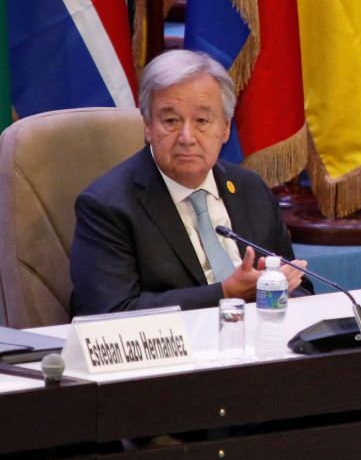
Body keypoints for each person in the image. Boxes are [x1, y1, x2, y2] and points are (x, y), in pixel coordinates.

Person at [70, 50, 310, 315]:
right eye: (171, 121)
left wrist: (277, 287)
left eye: (202, 121)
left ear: (226, 127)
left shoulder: (251, 189)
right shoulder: (108, 206)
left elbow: (300, 288)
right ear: (148, 126)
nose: (187, 137)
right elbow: (109, 312)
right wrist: (226, 293)